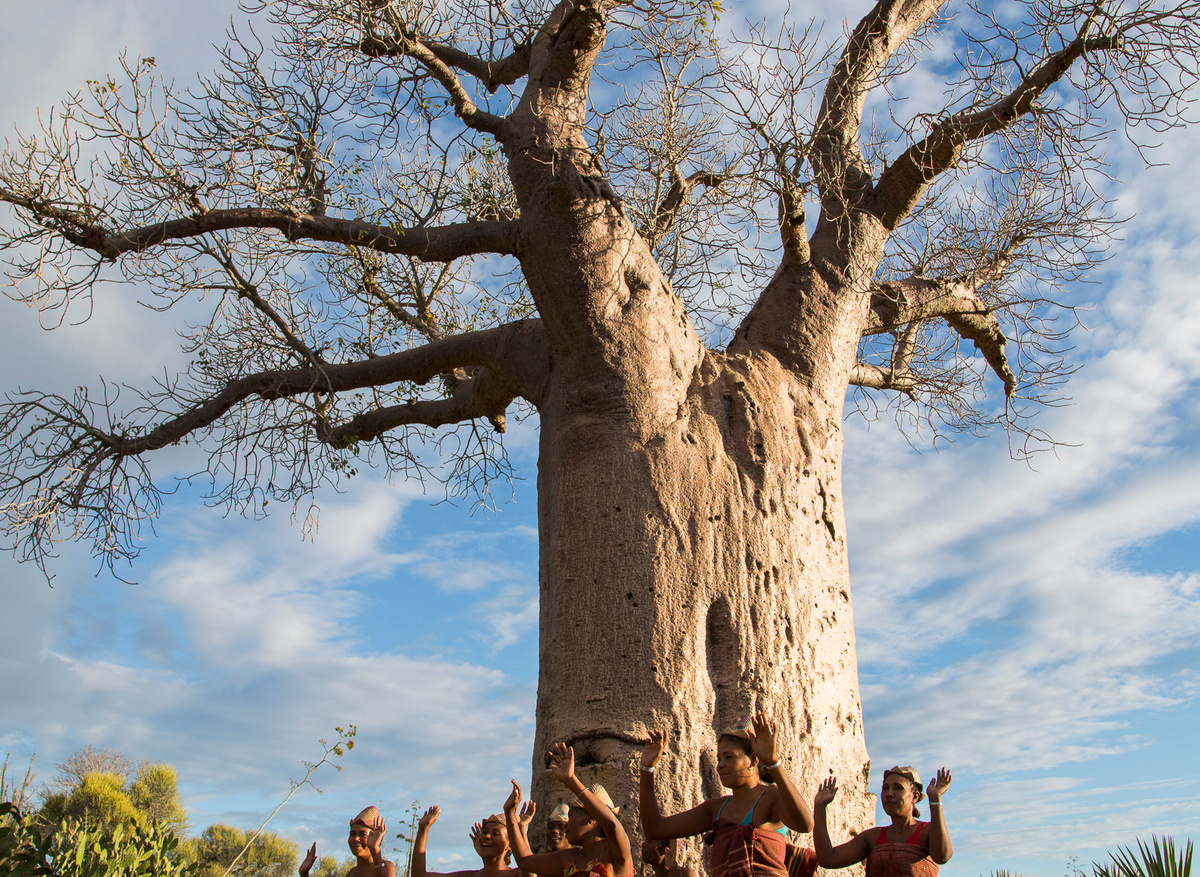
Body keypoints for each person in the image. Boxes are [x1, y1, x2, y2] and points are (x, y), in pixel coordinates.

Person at [638, 712, 814, 877]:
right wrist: (647, 769)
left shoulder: (770, 797)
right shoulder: (717, 809)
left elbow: (805, 825)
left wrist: (774, 763)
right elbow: (655, 829)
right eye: (719, 759)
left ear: (753, 759)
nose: (720, 765)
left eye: (729, 757)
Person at [504, 742, 635, 877]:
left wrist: (571, 780)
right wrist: (510, 814)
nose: (567, 822)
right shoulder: (570, 858)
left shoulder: (614, 851)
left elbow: (611, 824)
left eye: (571, 815)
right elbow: (524, 861)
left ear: (591, 818)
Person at [812, 766, 952, 877]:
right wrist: (819, 807)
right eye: (885, 788)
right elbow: (828, 859)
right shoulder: (872, 838)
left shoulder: (926, 832)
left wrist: (935, 800)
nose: (889, 793)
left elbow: (942, 856)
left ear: (914, 797)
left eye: (898, 788)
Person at [413, 805, 523, 877]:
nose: (487, 836)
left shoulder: (516, 874)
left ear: (509, 844)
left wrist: (521, 828)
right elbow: (419, 875)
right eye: (484, 832)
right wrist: (424, 828)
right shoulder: (471, 876)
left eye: (495, 834)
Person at [299, 805, 395, 877]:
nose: (356, 839)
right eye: (352, 834)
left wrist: (375, 851)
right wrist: (304, 874)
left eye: (363, 834)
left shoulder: (386, 867)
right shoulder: (352, 873)